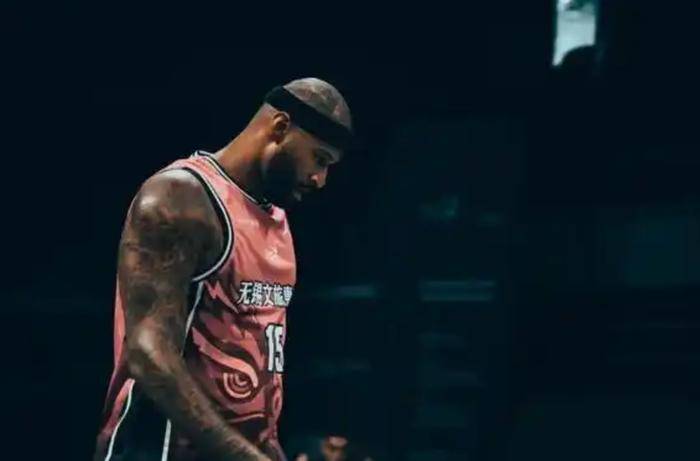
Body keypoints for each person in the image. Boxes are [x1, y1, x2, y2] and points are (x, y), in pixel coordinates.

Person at [93, 78, 353, 461]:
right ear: (280, 127)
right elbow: (148, 354)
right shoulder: (179, 198)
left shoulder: (276, 219)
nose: (320, 179)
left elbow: (259, 391)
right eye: (319, 159)